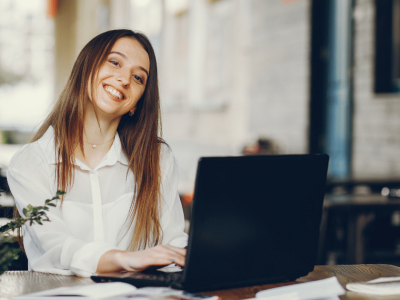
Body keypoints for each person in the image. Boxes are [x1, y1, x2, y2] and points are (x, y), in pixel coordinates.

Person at [6, 29, 187, 277]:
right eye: (115, 62)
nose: (124, 79)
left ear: (136, 104)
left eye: (138, 78)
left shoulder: (158, 159)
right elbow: (55, 247)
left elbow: (175, 244)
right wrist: (124, 259)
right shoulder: (30, 163)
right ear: (86, 69)